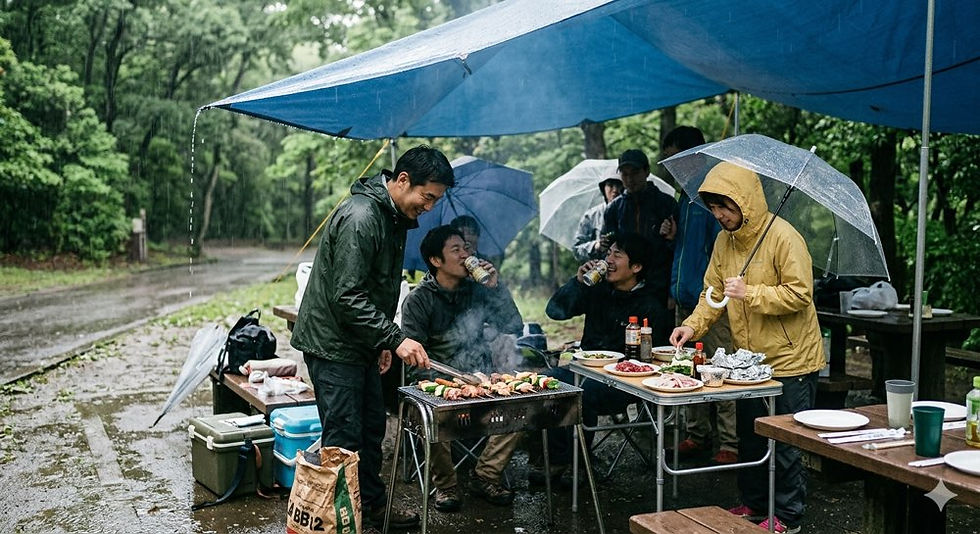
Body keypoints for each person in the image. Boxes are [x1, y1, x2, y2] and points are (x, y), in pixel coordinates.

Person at [291, 145, 455, 531]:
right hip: (333, 345)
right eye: (427, 196)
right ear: (403, 180)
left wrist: (381, 342)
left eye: (435, 199)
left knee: (370, 430)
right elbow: (347, 296)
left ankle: (370, 507)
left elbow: (376, 287)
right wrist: (394, 338)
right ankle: (339, 522)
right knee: (343, 439)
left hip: (361, 342)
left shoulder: (393, 216)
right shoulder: (362, 216)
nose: (429, 206)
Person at [669, 162, 823, 534]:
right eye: (714, 208)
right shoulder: (725, 241)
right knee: (751, 437)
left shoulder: (784, 237)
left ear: (745, 202)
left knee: (785, 442)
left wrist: (750, 292)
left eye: (725, 207)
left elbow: (800, 294)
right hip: (747, 363)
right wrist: (691, 326)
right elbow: (712, 293)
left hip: (790, 360)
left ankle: (788, 516)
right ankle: (754, 503)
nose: (719, 215)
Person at [400, 225, 524, 512]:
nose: (466, 255)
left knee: (520, 407)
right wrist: (446, 385)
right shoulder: (419, 300)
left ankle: (486, 475)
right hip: (437, 383)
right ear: (436, 260)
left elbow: (513, 325)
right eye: (456, 250)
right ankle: (445, 486)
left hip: (481, 379)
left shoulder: (477, 290)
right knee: (429, 411)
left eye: (466, 248)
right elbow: (414, 362)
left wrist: (496, 288)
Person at [530, 232, 672, 481]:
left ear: (636, 267)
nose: (609, 260)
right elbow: (554, 311)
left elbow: (654, 359)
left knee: (582, 393)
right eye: (608, 253)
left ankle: (579, 464)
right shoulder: (598, 290)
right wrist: (577, 282)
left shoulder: (650, 306)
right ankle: (559, 460)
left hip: (623, 382)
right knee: (548, 383)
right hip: (585, 369)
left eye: (618, 254)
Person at [661, 126, 738, 465]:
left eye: (676, 157)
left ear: (694, 155)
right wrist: (674, 288)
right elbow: (685, 249)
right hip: (684, 297)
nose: (673, 166)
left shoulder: (714, 194)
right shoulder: (685, 195)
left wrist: (714, 295)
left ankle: (731, 443)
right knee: (689, 367)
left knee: (718, 367)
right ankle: (697, 434)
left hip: (712, 300)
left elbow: (720, 249)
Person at [601, 149, 678, 303]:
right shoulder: (614, 208)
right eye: (625, 174)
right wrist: (604, 245)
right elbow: (609, 248)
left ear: (647, 171)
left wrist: (671, 239)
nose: (630, 179)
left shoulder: (665, 203)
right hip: (624, 286)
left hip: (658, 285)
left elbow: (677, 249)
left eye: (635, 173)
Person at [572, 174, 623, 261]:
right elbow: (577, 250)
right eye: (610, 185)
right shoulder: (592, 215)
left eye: (618, 185)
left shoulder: (632, 213)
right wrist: (596, 246)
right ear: (603, 188)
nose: (615, 190)